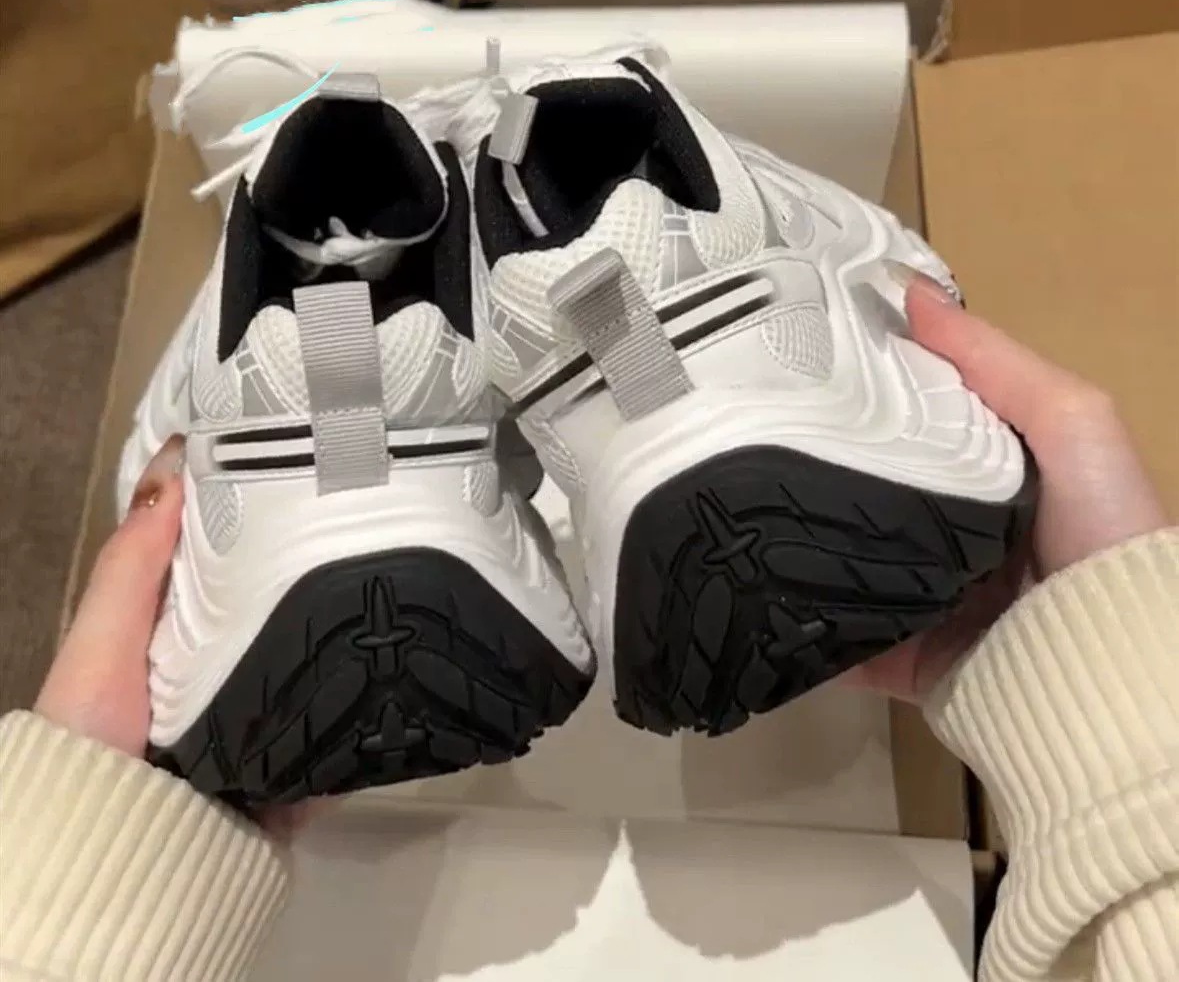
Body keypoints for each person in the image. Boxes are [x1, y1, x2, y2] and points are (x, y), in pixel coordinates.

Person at [1, 269, 1175, 982]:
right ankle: (625, 323)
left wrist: (89, 877)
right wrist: (1116, 702)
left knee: (356, 315)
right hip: (623, 323)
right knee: (597, 286)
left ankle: (322, 401)